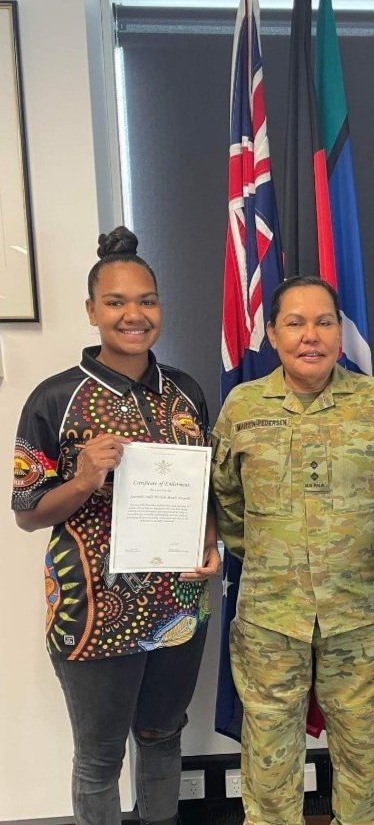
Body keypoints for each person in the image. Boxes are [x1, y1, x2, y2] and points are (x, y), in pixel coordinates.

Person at [12, 227, 220, 825]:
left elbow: (201, 491)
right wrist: (80, 480)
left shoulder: (185, 392)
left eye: (147, 300)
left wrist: (209, 544)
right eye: (116, 302)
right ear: (92, 311)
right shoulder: (56, 399)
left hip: (178, 602)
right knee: (100, 757)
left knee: (161, 736)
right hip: (91, 609)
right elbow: (27, 511)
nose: (134, 314)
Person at [211, 275, 374, 825]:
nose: (311, 335)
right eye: (296, 323)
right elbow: (227, 504)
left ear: (339, 332)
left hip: (357, 617)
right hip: (270, 620)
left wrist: (362, 558)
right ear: (273, 334)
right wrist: (270, 559)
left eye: (324, 321)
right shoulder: (242, 407)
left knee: (365, 760)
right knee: (270, 765)